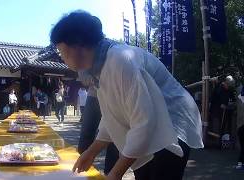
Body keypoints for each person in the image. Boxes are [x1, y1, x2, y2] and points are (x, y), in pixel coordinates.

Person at [50, 11, 203, 180]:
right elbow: (112, 117)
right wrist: (91, 152)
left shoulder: (119, 60)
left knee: (160, 171)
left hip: (173, 123)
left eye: (60, 50)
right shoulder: (99, 68)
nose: (61, 56)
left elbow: (144, 122)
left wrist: (116, 173)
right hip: (154, 122)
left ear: (77, 44)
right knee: (145, 170)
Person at [78, 71, 119, 175]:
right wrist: (93, 79)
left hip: (115, 95)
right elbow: (82, 74)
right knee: (86, 134)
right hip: (94, 95)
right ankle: (79, 169)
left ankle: (110, 173)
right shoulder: (85, 59)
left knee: (115, 135)